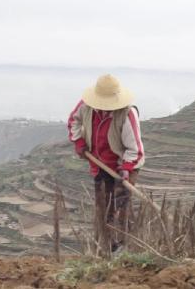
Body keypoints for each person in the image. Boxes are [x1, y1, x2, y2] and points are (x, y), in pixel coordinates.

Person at [68, 74, 145, 254]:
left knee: (120, 205)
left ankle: (124, 246)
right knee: (103, 207)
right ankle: (107, 247)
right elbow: (73, 121)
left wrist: (126, 170)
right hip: (99, 162)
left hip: (125, 163)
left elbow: (135, 149)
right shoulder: (85, 106)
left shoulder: (127, 114)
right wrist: (79, 142)